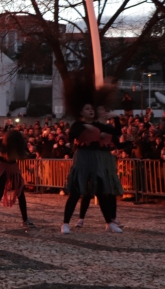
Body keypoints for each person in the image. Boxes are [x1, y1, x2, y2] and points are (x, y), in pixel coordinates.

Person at [61, 73, 122, 234]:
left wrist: (116, 118)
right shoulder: (77, 124)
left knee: (101, 190)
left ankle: (109, 222)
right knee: (76, 191)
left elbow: (117, 131)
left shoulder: (97, 124)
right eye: (87, 109)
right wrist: (82, 127)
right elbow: (71, 135)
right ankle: (65, 223)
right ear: (81, 112)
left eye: (91, 109)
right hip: (82, 158)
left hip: (96, 159)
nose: (91, 111)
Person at [0, 130, 34, 228]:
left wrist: (26, 154)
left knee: (20, 192)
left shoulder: (20, 144)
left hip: (12, 165)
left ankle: (25, 219)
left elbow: (28, 153)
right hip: (2, 165)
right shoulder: (2, 142)